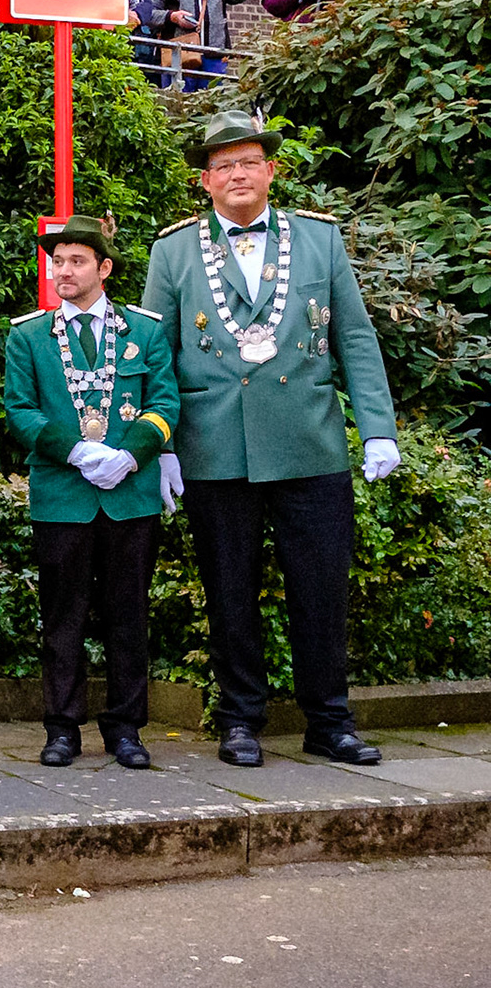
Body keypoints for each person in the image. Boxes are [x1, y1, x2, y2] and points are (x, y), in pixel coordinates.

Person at [144, 111, 401, 769]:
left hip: (308, 444)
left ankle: (329, 723)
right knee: (230, 593)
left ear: (271, 170)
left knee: (320, 592)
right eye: (223, 165)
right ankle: (239, 721)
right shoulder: (172, 250)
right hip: (215, 446)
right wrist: (161, 443)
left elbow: (354, 338)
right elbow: (155, 355)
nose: (237, 173)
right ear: (205, 181)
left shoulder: (320, 242)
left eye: (248, 161)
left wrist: (377, 428)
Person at [3, 216, 177, 771]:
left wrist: (129, 455)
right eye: (58, 262)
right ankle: (62, 728)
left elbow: (165, 403)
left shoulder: (144, 331)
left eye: (77, 261)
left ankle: (126, 728)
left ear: (103, 268)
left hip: (130, 495)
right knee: (63, 615)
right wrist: (78, 452)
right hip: (63, 494)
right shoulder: (29, 335)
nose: (64, 271)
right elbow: (21, 411)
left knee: (128, 613)